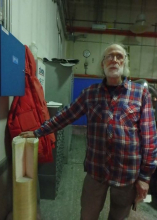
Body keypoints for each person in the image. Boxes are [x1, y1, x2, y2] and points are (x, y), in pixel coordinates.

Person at [20, 43, 157, 220]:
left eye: (119, 56)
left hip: (127, 174)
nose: (114, 60)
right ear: (102, 64)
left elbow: (150, 138)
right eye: (109, 56)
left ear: (125, 63)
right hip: (96, 170)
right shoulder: (90, 94)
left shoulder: (141, 95)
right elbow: (66, 116)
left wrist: (145, 178)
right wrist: (39, 132)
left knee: (119, 216)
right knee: (87, 215)